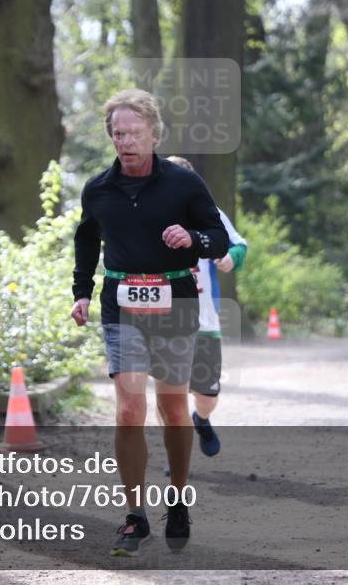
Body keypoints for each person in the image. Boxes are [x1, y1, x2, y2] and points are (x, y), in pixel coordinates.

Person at [71, 89, 229, 557]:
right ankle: (134, 516)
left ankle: (177, 500)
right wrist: (81, 292)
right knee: (127, 409)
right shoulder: (98, 189)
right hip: (121, 304)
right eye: (118, 134)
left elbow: (218, 238)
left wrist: (193, 237)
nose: (126, 142)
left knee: (174, 408)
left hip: (175, 301)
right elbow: (86, 240)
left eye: (134, 133)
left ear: (154, 134)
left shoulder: (184, 184)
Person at [166, 156, 247, 458]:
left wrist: (229, 258)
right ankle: (177, 458)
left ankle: (201, 418)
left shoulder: (209, 213)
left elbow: (239, 245)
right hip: (165, 321)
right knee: (171, 396)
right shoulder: (152, 213)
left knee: (207, 395)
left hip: (205, 320)